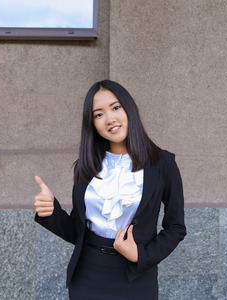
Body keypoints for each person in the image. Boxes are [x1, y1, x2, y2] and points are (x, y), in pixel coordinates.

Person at [33, 80, 186, 299]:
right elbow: (78, 231)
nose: (110, 119)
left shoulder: (163, 164)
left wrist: (140, 255)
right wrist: (50, 212)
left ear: (129, 109)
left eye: (116, 108)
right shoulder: (86, 166)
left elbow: (176, 227)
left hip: (135, 278)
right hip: (87, 275)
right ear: (92, 124)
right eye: (98, 114)